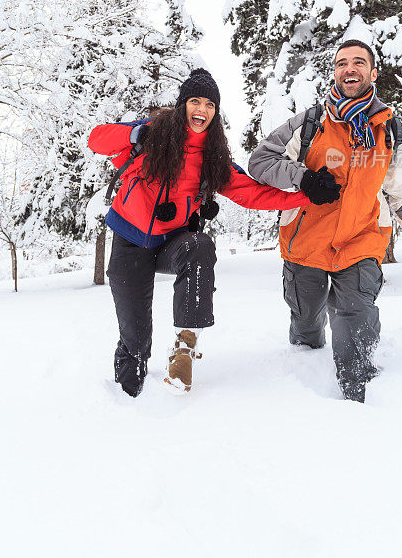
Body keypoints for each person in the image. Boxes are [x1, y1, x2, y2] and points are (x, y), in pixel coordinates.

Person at [88, 68, 327, 398]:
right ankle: (129, 400)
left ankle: (185, 345)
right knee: (135, 339)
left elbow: (252, 193)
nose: (201, 110)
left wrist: (306, 193)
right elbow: (96, 139)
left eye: (210, 105)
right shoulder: (151, 134)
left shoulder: (212, 159)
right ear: (183, 104)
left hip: (172, 241)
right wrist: (136, 135)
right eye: (195, 102)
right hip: (130, 240)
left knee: (200, 245)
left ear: (216, 112)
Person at [248, 39, 402, 403]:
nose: (350, 68)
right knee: (306, 323)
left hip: (361, 239)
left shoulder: (390, 131)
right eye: (342, 63)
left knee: (355, 315)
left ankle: (358, 397)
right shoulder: (310, 123)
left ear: (372, 72)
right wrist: (303, 178)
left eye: (358, 62)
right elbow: (261, 162)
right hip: (305, 242)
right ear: (334, 72)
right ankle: (303, 367)